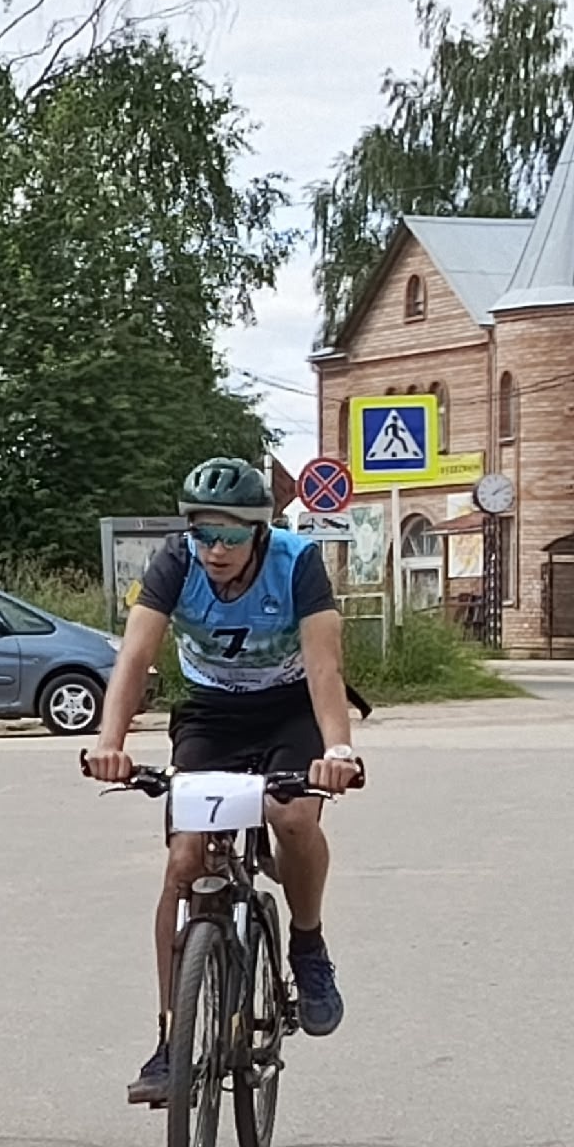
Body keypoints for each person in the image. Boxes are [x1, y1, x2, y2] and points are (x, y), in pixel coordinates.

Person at [83, 457, 364, 1107]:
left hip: (289, 708)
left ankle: (307, 943)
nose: (215, 549)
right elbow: (135, 656)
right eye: (204, 533)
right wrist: (109, 744)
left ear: (258, 531)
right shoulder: (175, 563)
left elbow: (325, 668)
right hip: (212, 715)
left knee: (292, 816)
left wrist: (339, 749)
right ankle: (171, 1037)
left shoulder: (296, 563)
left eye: (231, 536)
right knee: (184, 862)